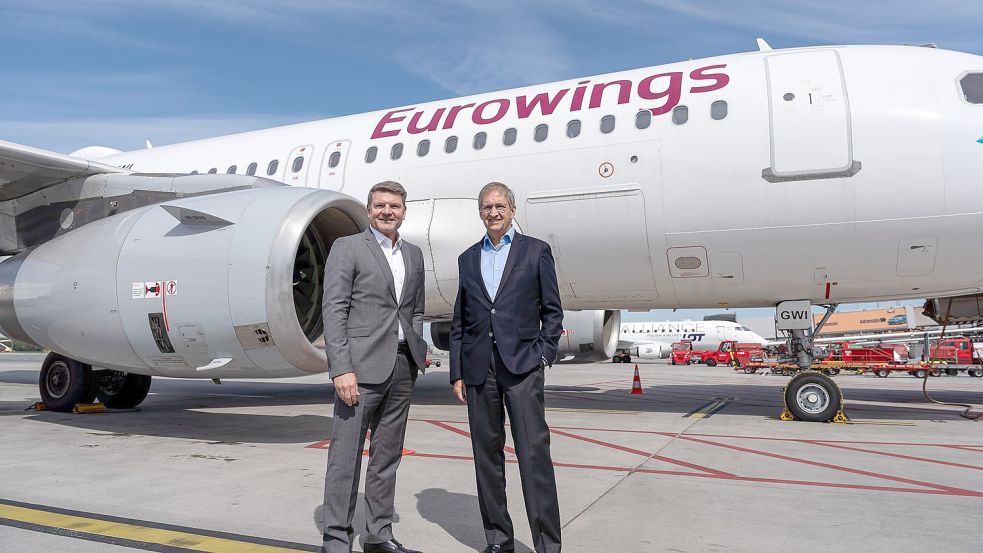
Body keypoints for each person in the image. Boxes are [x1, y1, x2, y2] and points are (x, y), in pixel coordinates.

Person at [449, 182, 564, 553]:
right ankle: (498, 540)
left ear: (513, 210)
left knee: (534, 455)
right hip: (479, 370)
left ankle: (547, 544)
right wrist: (457, 371)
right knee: (487, 458)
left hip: (523, 367)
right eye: (486, 206)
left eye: (500, 205)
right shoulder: (468, 258)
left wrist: (544, 354)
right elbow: (460, 322)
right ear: (480, 212)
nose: (493, 212)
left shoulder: (535, 251)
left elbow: (553, 312)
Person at [320, 181, 427, 553]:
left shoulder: (413, 254)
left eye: (394, 206)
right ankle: (336, 539)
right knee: (344, 459)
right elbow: (334, 310)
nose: (387, 211)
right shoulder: (348, 248)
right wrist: (341, 368)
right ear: (369, 210)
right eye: (380, 205)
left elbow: (414, 308)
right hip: (360, 370)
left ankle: (379, 535)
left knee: (386, 457)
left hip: (402, 365)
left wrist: (417, 347)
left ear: (403, 210)